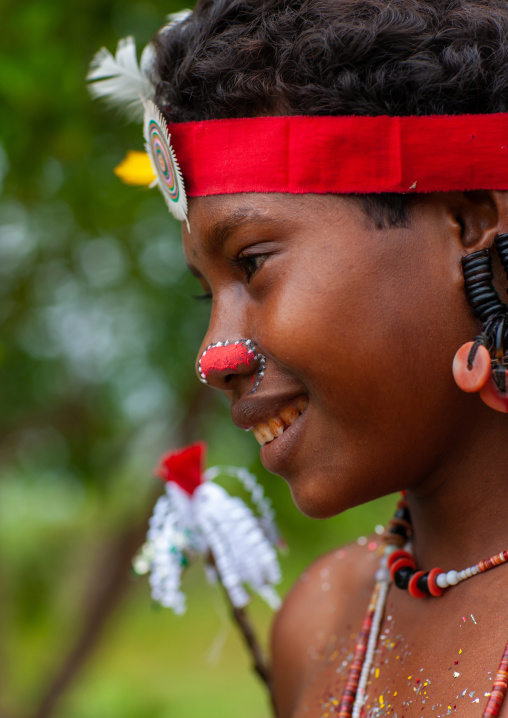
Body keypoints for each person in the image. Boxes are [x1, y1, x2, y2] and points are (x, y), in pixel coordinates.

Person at [89, 1, 508, 715]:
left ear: (467, 221)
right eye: (206, 296)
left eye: (251, 265)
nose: (213, 355)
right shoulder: (317, 623)